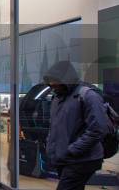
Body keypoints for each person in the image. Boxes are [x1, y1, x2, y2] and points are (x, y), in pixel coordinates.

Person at [43, 60, 109, 190]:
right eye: (50, 81)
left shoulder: (88, 95)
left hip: (82, 159)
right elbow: (55, 126)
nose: (52, 84)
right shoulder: (57, 97)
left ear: (66, 79)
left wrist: (71, 150)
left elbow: (98, 130)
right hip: (66, 158)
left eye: (55, 80)